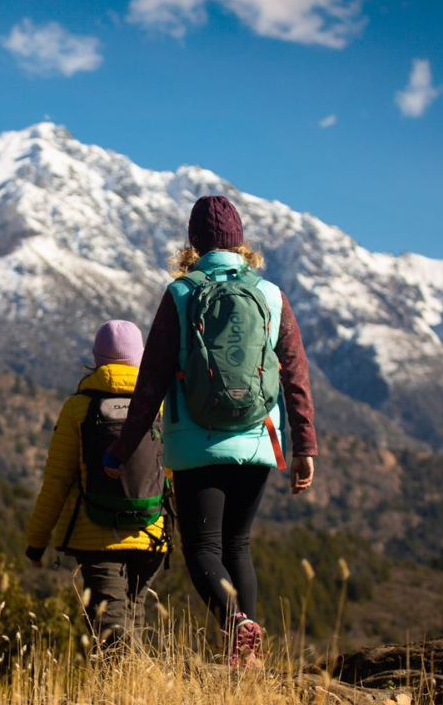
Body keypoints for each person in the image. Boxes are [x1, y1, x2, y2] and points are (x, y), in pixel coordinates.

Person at [103, 195, 317, 667]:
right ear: (241, 243)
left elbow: (151, 382)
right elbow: (296, 374)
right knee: (238, 545)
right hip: (257, 439)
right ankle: (248, 653)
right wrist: (304, 446)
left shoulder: (181, 294)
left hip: (196, 443)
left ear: (194, 244)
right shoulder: (270, 295)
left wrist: (122, 449)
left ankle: (236, 626)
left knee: (203, 548)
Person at [25, 320, 168, 650]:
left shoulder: (78, 408)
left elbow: (57, 480)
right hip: (150, 531)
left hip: (96, 534)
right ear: (140, 358)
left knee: (111, 631)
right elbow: (170, 472)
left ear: (97, 360)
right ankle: (142, 680)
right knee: (132, 619)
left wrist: (37, 540)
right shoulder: (160, 405)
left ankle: (131, 680)